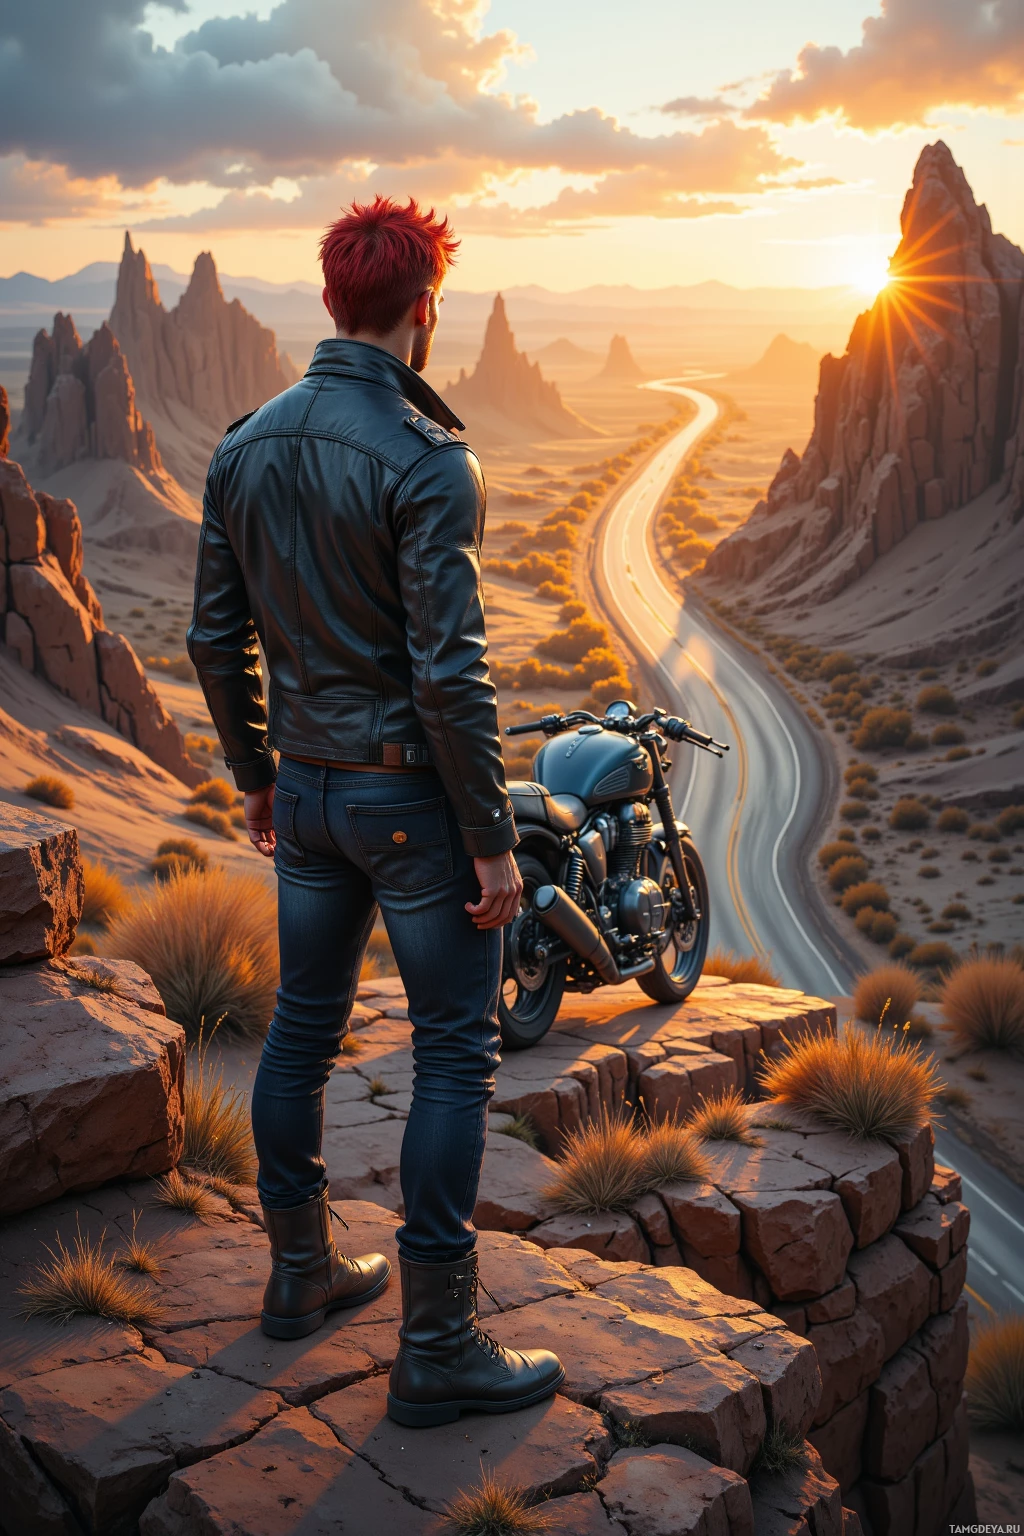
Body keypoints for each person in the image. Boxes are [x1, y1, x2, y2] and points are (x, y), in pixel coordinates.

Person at [187, 195, 564, 1428]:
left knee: (301, 1024)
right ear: (423, 310)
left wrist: (255, 774)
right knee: (455, 1048)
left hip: (303, 795)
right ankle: (439, 1348)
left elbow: (211, 637)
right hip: (412, 801)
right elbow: (451, 673)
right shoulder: (424, 457)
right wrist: (494, 840)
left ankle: (300, 1276)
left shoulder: (242, 447)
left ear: (332, 302)